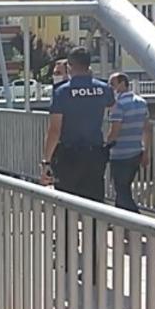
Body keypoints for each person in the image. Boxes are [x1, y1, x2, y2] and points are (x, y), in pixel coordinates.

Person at [41, 48, 115, 201]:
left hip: (69, 155)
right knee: (95, 204)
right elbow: (115, 111)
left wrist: (46, 161)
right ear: (89, 65)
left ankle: (69, 225)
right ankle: (94, 225)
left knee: (67, 204)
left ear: (69, 66)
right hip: (95, 153)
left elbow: (55, 130)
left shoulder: (62, 92)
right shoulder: (104, 89)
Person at [106, 72, 150, 212]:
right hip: (136, 152)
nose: (110, 88)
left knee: (121, 190)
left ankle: (136, 220)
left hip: (120, 154)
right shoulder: (142, 102)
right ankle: (121, 222)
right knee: (124, 188)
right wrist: (146, 151)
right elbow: (147, 129)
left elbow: (115, 131)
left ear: (122, 83)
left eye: (112, 84)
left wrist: (105, 147)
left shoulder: (118, 105)